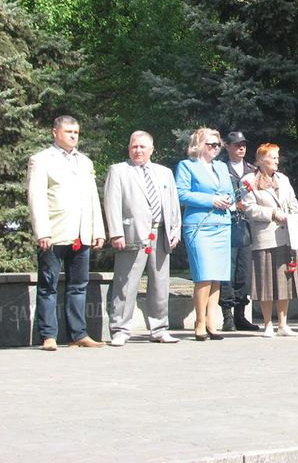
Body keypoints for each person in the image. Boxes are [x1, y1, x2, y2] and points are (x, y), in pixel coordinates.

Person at [27, 115, 106, 350]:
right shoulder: (41, 160)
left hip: (81, 232)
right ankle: (48, 335)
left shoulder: (85, 162)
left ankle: (78, 334)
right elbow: (36, 198)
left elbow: (92, 198)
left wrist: (97, 230)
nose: (73, 136)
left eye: (77, 132)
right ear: (55, 132)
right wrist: (42, 231)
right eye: (69, 131)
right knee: (48, 285)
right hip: (54, 232)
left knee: (78, 285)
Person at [104, 131, 182, 346]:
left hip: (160, 233)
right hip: (131, 234)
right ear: (129, 148)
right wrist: (116, 232)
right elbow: (111, 203)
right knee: (126, 282)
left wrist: (175, 230)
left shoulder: (164, 173)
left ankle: (159, 328)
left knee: (160, 282)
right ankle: (120, 329)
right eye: (134, 147)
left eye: (142, 147)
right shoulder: (119, 171)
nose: (138, 150)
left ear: (151, 149)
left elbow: (172, 203)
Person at [175, 128, 235, 340]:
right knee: (203, 275)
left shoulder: (220, 166)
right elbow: (181, 193)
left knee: (217, 276)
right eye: (211, 144)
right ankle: (199, 321)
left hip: (222, 225)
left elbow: (229, 191)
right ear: (199, 145)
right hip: (199, 226)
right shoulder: (187, 166)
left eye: (218, 145)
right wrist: (210, 200)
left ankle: (212, 322)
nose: (216, 148)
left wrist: (230, 201)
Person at [241, 143, 298, 337]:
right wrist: (272, 213)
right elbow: (248, 207)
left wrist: (292, 214)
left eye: (278, 157)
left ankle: (283, 324)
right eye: (272, 157)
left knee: (284, 281)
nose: (277, 160)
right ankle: (268, 324)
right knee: (265, 283)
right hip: (265, 237)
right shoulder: (249, 181)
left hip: (287, 236)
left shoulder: (283, 179)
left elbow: (293, 202)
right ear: (260, 160)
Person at [219, 130, 259, 332]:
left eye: (243, 144)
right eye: (236, 144)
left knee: (244, 270)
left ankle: (241, 315)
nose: (241, 147)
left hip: (246, 224)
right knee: (227, 269)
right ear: (227, 146)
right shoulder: (220, 169)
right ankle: (227, 316)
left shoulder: (252, 170)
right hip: (226, 223)